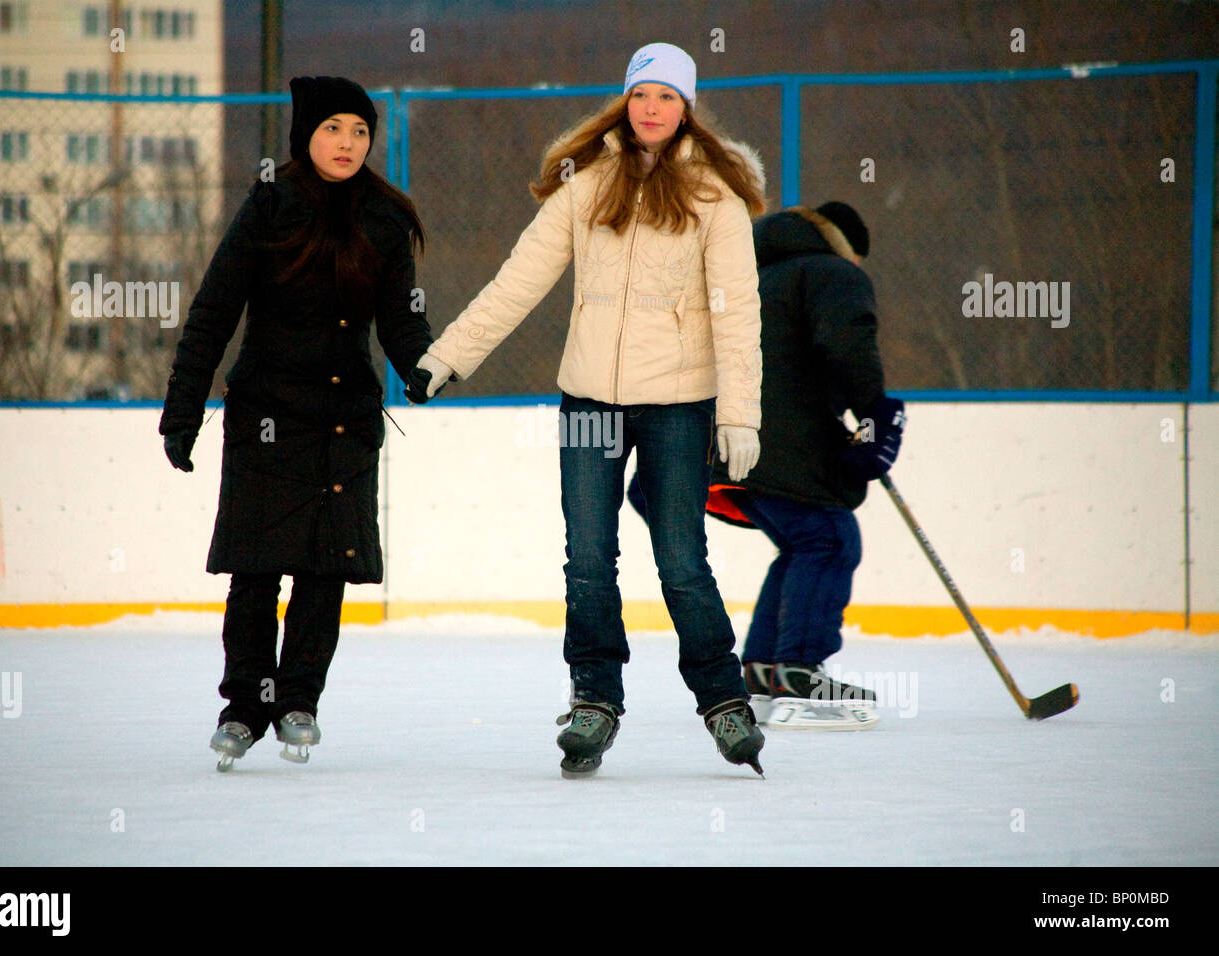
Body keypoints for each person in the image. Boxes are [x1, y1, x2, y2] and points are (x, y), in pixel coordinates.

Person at [413, 43, 767, 777]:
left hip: (677, 404)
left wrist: (740, 414)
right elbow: (519, 281)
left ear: (686, 109)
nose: (651, 109)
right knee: (587, 561)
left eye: (667, 97)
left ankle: (723, 701)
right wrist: (449, 355)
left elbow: (738, 314)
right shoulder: (586, 185)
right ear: (625, 101)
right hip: (588, 401)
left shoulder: (715, 200)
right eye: (642, 95)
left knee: (681, 561)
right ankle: (595, 699)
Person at [159, 76, 438, 770]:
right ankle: (245, 707)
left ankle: (298, 701)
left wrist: (428, 368)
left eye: (360, 131)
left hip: (343, 423)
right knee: (255, 570)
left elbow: (403, 322)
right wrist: (183, 410)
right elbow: (213, 312)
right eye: (332, 129)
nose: (347, 144)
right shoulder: (270, 206)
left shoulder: (384, 217)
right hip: (266, 418)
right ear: (304, 136)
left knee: (326, 570)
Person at [632, 201, 903, 730]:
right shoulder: (829, 272)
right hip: (777, 439)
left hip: (714, 443)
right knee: (827, 538)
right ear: (847, 249)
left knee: (804, 543)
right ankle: (798, 670)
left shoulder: (743, 277)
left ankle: (762, 669)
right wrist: (875, 412)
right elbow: (847, 345)